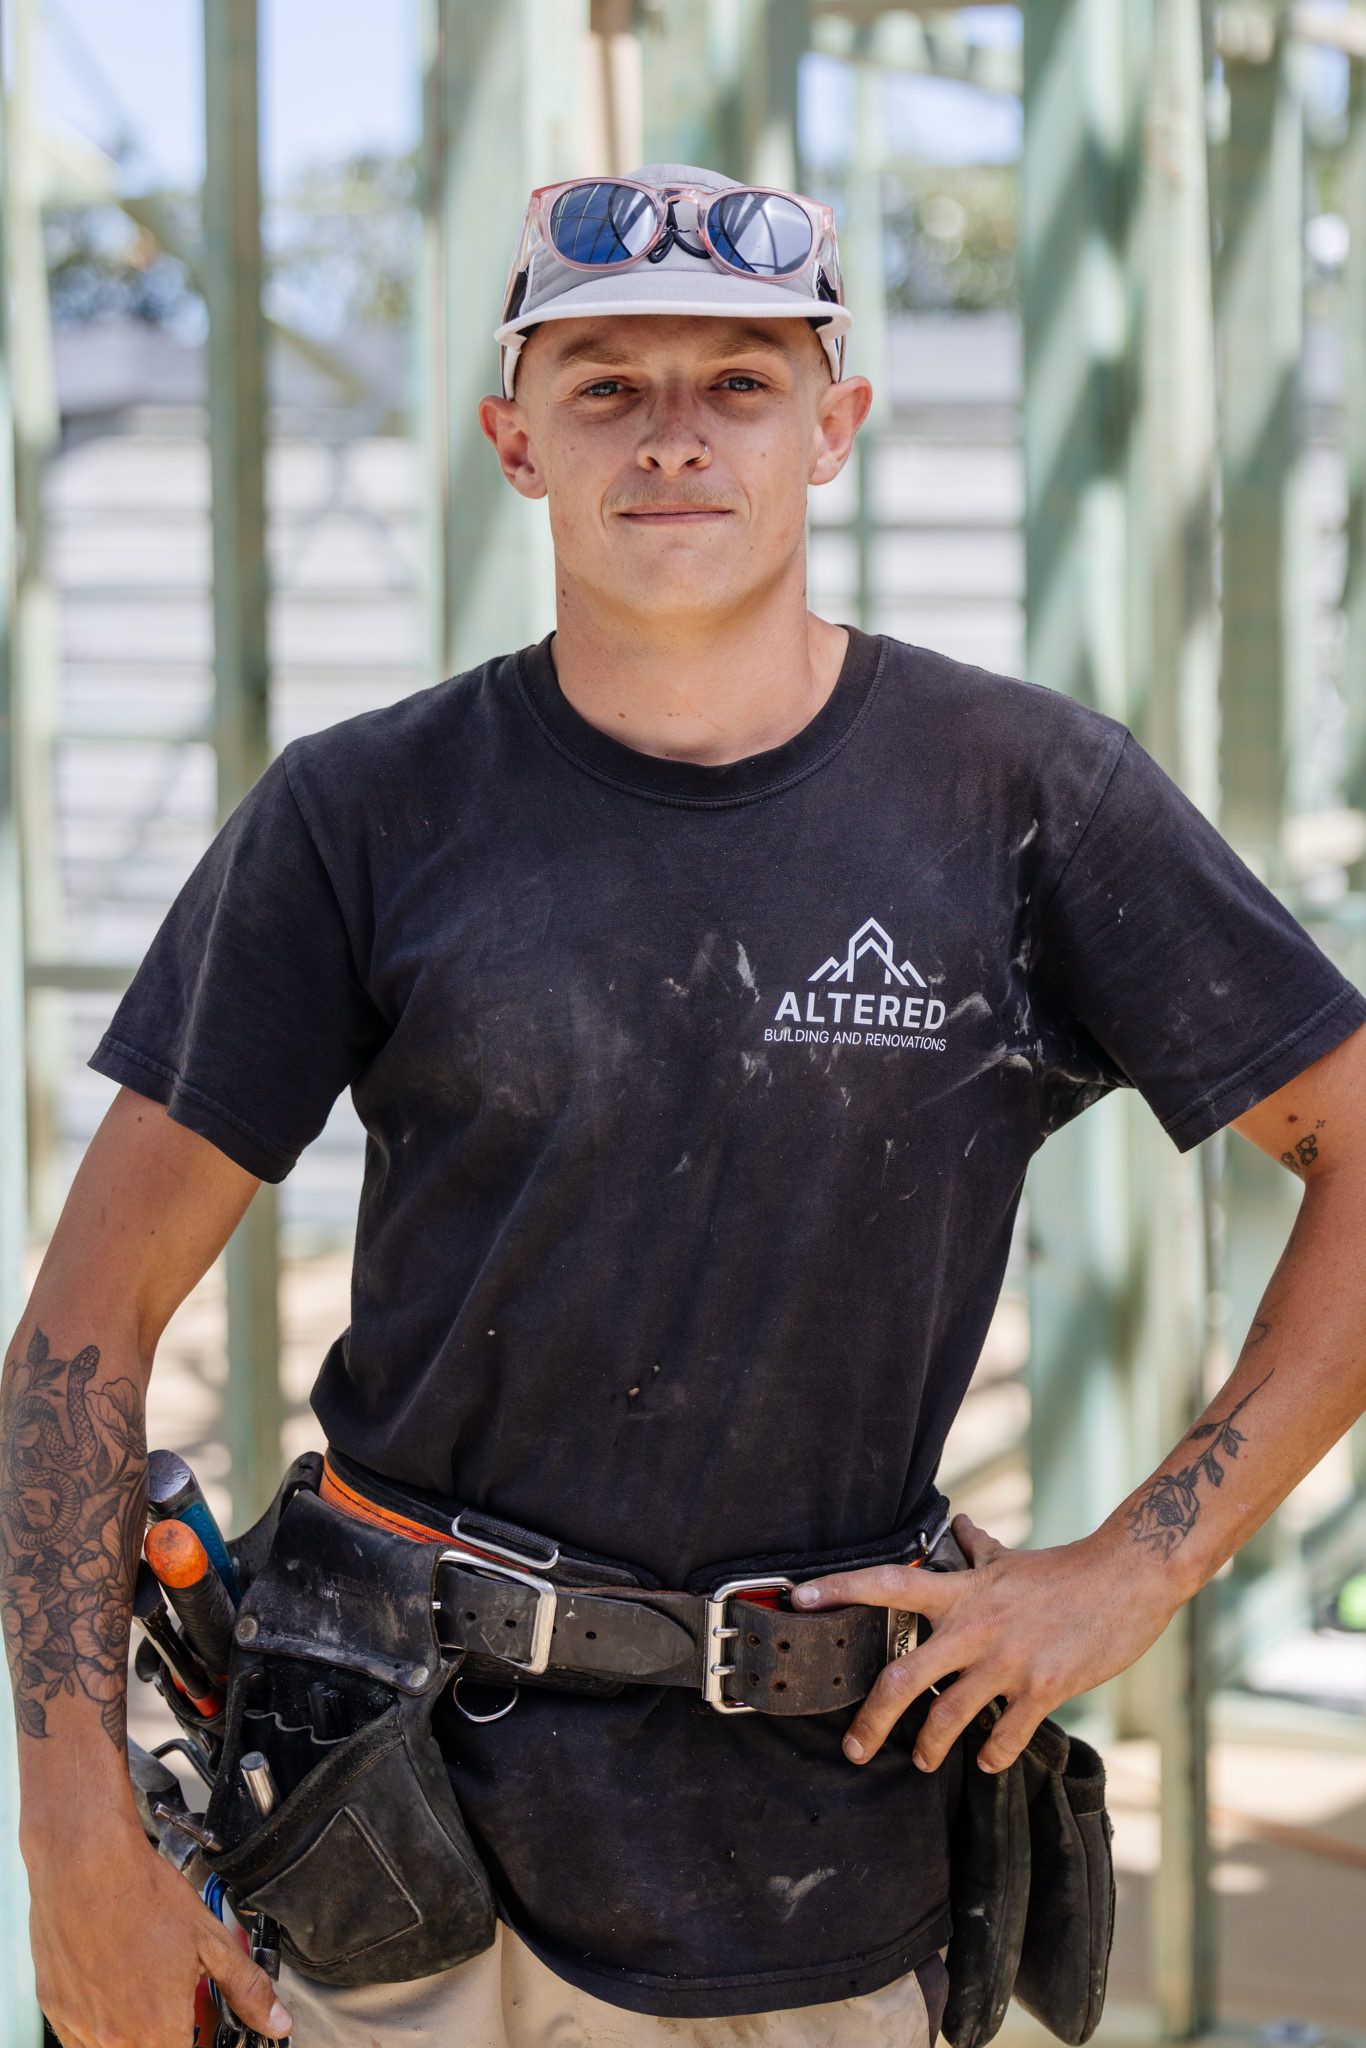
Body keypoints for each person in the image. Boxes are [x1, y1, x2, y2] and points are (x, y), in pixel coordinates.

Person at [5, 159, 1366, 2048]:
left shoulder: (1021, 797)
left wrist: (1132, 1572)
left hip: (821, 1870)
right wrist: (74, 1843)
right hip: (383, 1850)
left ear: (834, 428)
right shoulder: (361, 814)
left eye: (736, 382)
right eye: (604, 387)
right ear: (513, 441)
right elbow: (84, 1329)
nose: (672, 439)